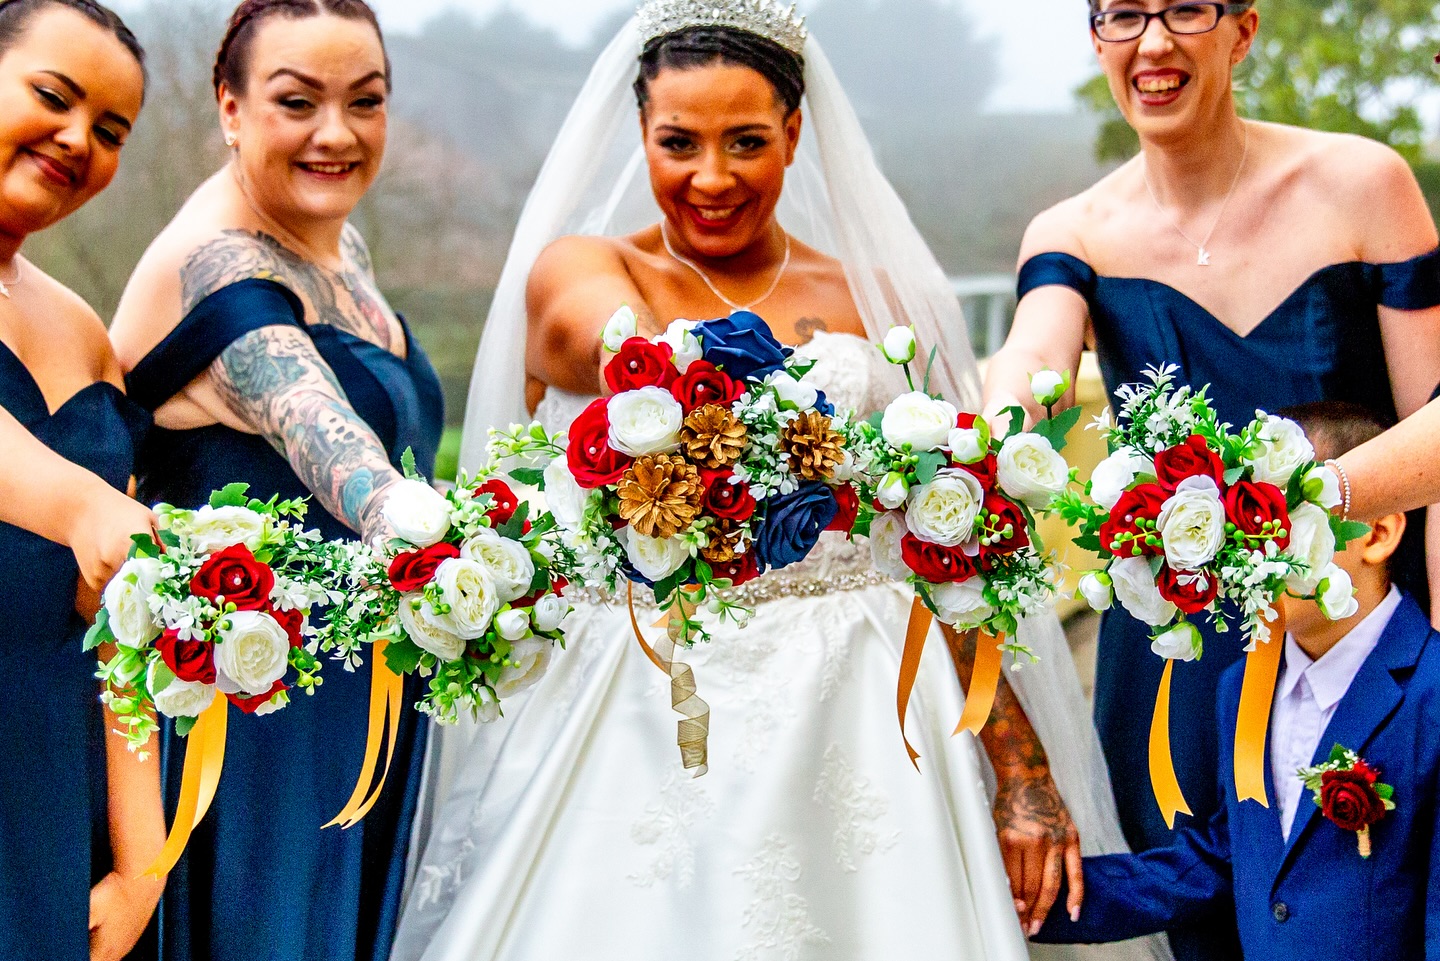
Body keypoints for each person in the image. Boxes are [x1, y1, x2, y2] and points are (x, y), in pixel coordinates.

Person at [393, 5, 1168, 961]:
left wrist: (1020, 765)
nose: (710, 178)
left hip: (871, 711)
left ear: (795, 132)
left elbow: (948, 545)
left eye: (746, 141)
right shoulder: (584, 270)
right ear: (641, 133)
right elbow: (620, 352)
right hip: (645, 704)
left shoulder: (871, 299)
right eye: (678, 142)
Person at [983, 2, 1440, 956]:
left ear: (1242, 30)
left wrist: (1322, 523)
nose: (1154, 42)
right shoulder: (1072, 231)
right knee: (1198, 912)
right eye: (1124, 15)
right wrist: (991, 428)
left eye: (1186, 9)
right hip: (1175, 665)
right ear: (1098, 38)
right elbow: (1030, 365)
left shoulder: (1364, 183)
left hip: (1349, 628)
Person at [107, 1, 443, 958]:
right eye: (297, 102)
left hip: (352, 697)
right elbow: (347, 463)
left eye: (365, 101)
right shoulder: (223, 269)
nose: (336, 134)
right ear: (229, 106)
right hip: (253, 726)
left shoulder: (335, 242)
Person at [1032, 402, 1440, 959]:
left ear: (1376, 532)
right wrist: (1041, 895)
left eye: (1275, 529)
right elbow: (1232, 856)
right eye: (1240, 533)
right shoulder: (1243, 689)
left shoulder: (1429, 688)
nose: (1245, 559)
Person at [0, 2, 166, 959]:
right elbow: (96, 519)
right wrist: (82, 504)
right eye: (54, 99)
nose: (79, 142)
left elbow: (121, 607)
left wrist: (141, 857)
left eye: (111, 132)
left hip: (47, 777)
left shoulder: (84, 331)